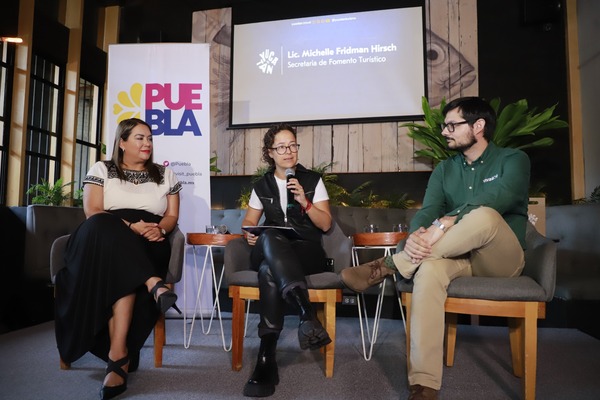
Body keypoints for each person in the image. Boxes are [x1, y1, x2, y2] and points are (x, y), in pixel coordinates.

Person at [340, 97, 530, 400]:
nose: (445, 132)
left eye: (452, 125)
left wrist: (446, 222)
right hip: (455, 255)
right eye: (444, 126)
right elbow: (427, 213)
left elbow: (500, 197)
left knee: (485, 215)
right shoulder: (444, 169)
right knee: (427, 271)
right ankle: (424, 385)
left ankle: (392, 264)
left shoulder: (513, 159)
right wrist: (415, 237)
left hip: (501, 259)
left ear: (478, 126)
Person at [54, 118, 183, 400]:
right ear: (122, 142)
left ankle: (118, 354)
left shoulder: (166, 174)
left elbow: (172, 216)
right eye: (139, 138)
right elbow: (93, 210)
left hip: (149, 240)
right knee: (107, 228)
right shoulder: (102, 168)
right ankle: (152, 283)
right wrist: (129, 226)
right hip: (100, 239)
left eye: (149, 138)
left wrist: (159, 228)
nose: (147, 143)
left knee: (123, 265)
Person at [240, 123, 334, 398]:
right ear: (270, 152)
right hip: (270, 245)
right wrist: (249, 235)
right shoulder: (263, 185)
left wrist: (305, 202)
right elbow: (249, 221)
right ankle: (306, 312)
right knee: (269, 236)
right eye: (281, 147)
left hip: (305, 251)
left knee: (269, 270)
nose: (288, 151)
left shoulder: (313, 180)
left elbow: (326, 225)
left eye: (292, 145)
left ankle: (266, 356)